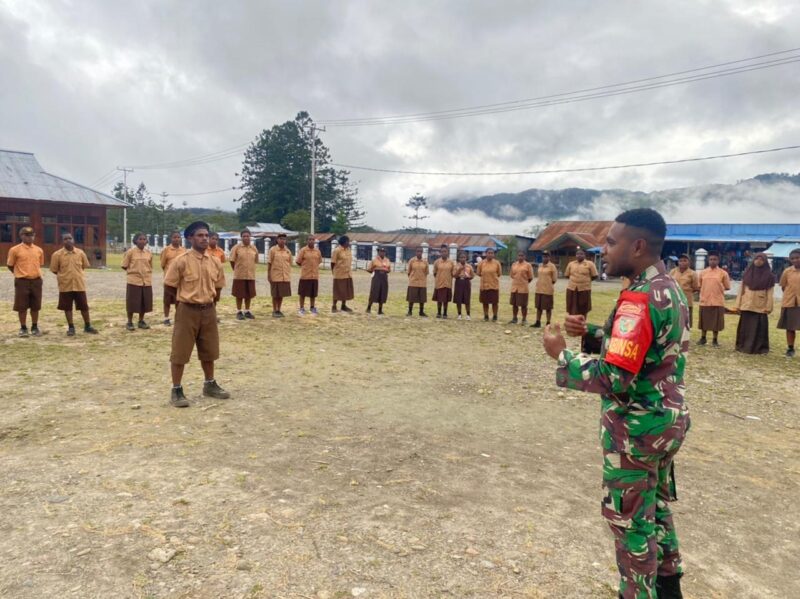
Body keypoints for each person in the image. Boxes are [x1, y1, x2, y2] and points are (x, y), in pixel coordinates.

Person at [542, 208, 690, 599]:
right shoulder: (666, 287)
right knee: (655, 508)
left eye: (610, 242)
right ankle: (668, 587)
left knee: (630, 523)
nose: (603, 250)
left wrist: (562, 355)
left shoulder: (638, 298)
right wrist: (594, 333)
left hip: (636, 430)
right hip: (665, 422)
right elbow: (649, 350)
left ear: (637, 246)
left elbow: (614, 377)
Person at [163, 221, 229, 408]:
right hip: (187, 310)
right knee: (180, 351)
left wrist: (212, 304)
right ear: (190, 238)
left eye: (206, 235)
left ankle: (210, 384)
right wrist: (181, 303)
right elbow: (169, 285)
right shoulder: (181, 261)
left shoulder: (215, 261)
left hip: (208, 310)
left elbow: (218, 286)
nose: (204, 239)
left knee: (209, 349)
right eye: (200, 235)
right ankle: (177, 390)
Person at [49, 232, 99, 336]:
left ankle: (87, 326)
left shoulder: (80, 253)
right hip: (65, 285)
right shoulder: (57, 255)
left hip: (79, 285)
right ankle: (71, 327)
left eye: (70, 238)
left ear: (73, 240)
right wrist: (64, 276)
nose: (68, 240)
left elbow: (84, 266)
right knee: (67, 307)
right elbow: (54, 270)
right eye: (65, 239)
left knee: (84, 306)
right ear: (62, 241)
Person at [6, 226, 44, 337]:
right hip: (22, 281)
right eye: (26, 235)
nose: (30, 237)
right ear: (21, 236)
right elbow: (10, 265)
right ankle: (23, 328)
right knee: (21, 306)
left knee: (35, 305)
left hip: (36, 280)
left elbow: (40, 264)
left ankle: (34, 327)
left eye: (32, 235)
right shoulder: (15, 250)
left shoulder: (39, 250)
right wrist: (19, 274)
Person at [733, 253, 775, 354]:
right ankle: (742, 346)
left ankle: (758, 348)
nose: (758, 261)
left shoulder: (769, 276)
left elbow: (770, 293)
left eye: (761, 259)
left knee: (759, 328)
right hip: (746, 303)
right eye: (756, 259)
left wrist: (769, 307)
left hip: (760, 305)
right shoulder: (747, 273)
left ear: (765, 262)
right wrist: (737, 305)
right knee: (745, 327)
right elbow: (741, 290)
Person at [121, 232, 154, 331]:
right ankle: (129, 322)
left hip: (146, 281)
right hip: (134, 281)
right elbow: (124, 266)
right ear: (135, 241)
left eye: (144, 239)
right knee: (132, 302)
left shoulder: (149, 253)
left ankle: (141, 321)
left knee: (144, 302)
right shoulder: (130, 252)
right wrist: (133, 272)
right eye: (140, 239)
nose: (142, 241)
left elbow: (150, 266)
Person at [698, 251, 731, 347]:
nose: (712, 261)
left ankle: (715, 340)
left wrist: (718, 288)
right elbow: (699, 285)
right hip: (705, 300)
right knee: (704, 321)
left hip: (717, 301)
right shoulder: (703, 273)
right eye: (711, 259)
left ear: (718, 261)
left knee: (716, 323)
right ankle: (703, 338)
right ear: (708, 260)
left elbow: (727, 287)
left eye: (715, 259)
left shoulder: (723, 273)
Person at [229, 229, 258, 320]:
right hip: (239, 275)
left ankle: (247, 311)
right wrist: (236, 270)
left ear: (250, 237)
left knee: (249, 294)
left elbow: (255, 260)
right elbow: (232, 261)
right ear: (241, 237)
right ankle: (239, 311)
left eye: (247, 236)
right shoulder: (236, 248)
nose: (246, 238)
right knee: (239, 294)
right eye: (244, 236)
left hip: (250, 275)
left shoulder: (254, 248)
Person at [160, 231, 187, 326]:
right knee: (167, 300)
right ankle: (166, 318)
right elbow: (163, 264)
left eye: (178, 237)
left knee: (179, 300)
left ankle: (178, 317)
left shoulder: (184, 250)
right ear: (171, 239)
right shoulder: (166, 250)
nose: (176, 239)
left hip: (180, 281)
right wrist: (169, 274)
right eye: (174, 237)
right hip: (169, 280)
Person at [778, 248, 800, 357]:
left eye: (797, 258)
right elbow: (783, 286)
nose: (795, 260)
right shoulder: (787, 271)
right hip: (790, 303)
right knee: (790, 327)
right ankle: (790, 348)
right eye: (792, 258)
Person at [564, 249, 598, 318]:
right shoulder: (571, 264)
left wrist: (585, 281)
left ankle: (582, 321)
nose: (579, 255)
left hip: (584, 289)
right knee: (571, 306)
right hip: (572, 288)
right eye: (577, 254)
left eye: (581, 254)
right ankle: (572, 321)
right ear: (575, 255)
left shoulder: (590, 264)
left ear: (585, 255)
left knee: (583, 307)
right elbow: (567, 275)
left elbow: (595, 276)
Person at [669, 255, 700, 329]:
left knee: (686, 321)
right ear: (678, 262)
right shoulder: (673, 272)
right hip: (674, 300)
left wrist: (686, 291)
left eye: (685, 261)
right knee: (675, 319)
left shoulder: (693, 273)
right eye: (680, 261)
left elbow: (696, 287)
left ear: (689, 262)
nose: (682, 262)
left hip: (687, 300)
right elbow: (668, 283)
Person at [267, 233, 293, 318]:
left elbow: (290, 263)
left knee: (281, 294)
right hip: (275, 276)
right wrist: (269, 275)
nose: (282, 240)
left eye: (284, 239)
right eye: (281, 239)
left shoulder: (288, 251)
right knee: (275, 295)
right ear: (277, 240)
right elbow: (269, 263)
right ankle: (274, 310)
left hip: (284, 276)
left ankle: (279, 310)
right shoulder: (273, 250)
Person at [296, 236, 322, 315]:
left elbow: (319, 261)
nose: (311, 241)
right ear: (307, 241)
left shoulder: (317, 251)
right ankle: (301, 308)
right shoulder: (303, 250)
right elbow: (298, 261)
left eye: (313, 240)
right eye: (309, 239)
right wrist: (305, 267)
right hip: (305, 275)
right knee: (302, 293)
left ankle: (312, 307)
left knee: (313, 293)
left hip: (314, 276)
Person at [532, 251, 558, 328]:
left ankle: (548, 323)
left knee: (548, 308)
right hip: (539, 289)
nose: (545, 258)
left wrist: (548, 284)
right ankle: (538, 322)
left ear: (549, 257)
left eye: (546, 256)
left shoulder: (552, 266)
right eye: (543, 256)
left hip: (547, 290)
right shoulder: (540, 265)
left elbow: (554, 279)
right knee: (538, 307)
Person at [477, 247, 501, 321]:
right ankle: (486, 316)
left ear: (494, 254)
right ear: (486, 254)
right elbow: (478, 273)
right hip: (484, 286)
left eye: (492, 253)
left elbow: (499, 274)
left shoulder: (497, 263)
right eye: (489, 253)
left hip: (494, 286)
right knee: (485, 302)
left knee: (494, 302)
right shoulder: (481, 263)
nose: (490, 254)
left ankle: (495, 316)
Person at [509, 251, 534, 324]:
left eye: (522, 255)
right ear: (517, 256)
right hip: (514, 288)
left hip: (523, 288)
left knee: (523, 305)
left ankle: (524, 319)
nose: (520, 257)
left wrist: (524, 283)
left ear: (525, 256)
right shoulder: (514, 264)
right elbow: (512, 275)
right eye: (519, 255)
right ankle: (514, 318)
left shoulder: (528, 265)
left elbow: (530, 277)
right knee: (514, 304)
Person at [331, 236, 354, 313]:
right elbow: (333, 262)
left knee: (345, 291)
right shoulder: (337, 250)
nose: (349, 243)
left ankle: (343, 306)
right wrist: (333, 272)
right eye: (348, 241)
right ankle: (334, 306)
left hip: (347, 274)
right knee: (337, 290)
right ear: (344, 242)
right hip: (339, 274)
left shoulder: (348, 250)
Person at [206, 233, 226, 320]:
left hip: (217, 279)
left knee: (215, 298)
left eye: (216, 239)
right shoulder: (204, 250)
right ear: (208, 239)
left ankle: (213, 315)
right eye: (212, 238)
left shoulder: (220, 251)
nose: (214, 241)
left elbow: (222, 262)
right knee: (206, 297)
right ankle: (206, 316)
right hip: (207, 278)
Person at [366, 246, 391, 315]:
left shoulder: (387, 260)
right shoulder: (374, 260)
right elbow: (369, 269)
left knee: (382, 292)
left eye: (383, 251)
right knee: (374, 292)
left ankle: (380, 310)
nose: (382, 253)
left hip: (384, 277)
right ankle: (369, 307)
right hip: (376, 277)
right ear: (378, 252)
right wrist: (376, 270)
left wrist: (385, 270)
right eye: (381, 251)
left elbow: (389, 269)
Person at [433, 244, 455, 319]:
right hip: (439, 284)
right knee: (439, 300)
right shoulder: (437, 262)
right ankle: (439, 312)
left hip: (447, 284)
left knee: (445, 300)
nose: (444, 253)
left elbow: (453, 273)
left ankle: (445, 313)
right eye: (442, 251)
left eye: (445, 251)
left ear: (447, 252)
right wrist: (439, 278)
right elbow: (435, 273)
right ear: (440, 252)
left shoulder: (451, 262)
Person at [406, 247, 429, 317]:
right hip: (413, 282)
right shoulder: (412, 261)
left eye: (420, 251)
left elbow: (426, 272)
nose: (419, 253)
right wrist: (412, 278)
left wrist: (422, 278)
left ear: (422, 252)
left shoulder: (425, 262)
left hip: (422, 283)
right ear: (415, 252)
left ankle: (421, 312)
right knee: (411, 298)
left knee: (422, 299)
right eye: (418, 251)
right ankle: (410, 311)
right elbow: (409, 272)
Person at [453, 252, 474, 320]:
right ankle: (459, 314)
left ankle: (468, 315)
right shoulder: (456, 266)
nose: (463, 259)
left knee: (467, 298)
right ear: (459, 258)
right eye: (461, 257)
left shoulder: (469, 266)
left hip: (466, 282)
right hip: (459, 282)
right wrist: (459, 269)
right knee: (458, 299)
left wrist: (468, 277)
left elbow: (472, 275)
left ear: (466, 258)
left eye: (464, 257)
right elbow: (454, 275)